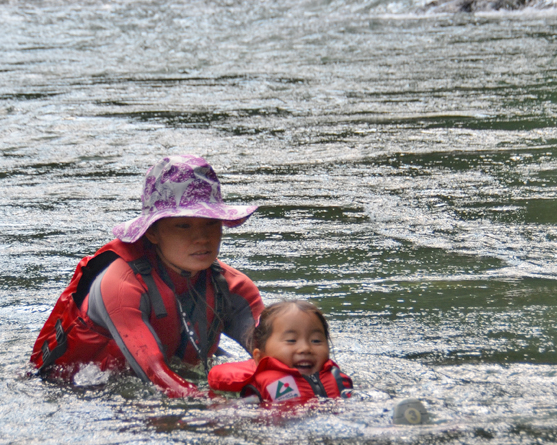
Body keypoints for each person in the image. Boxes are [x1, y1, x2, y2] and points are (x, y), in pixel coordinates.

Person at [30, 155, 264, 397]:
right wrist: (220, 407)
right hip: (75, 396)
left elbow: (280, 356)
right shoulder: (121, 284)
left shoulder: (234, 287)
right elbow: (155, 374)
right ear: (152, 233)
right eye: (183, 225)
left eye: (210, 224)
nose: (202, 238)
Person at [208, 300, 353, 406]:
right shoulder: (259, 391)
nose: (305, 348)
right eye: (291, 340)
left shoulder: (339, 380)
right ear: (260, 357)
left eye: (316, 341)